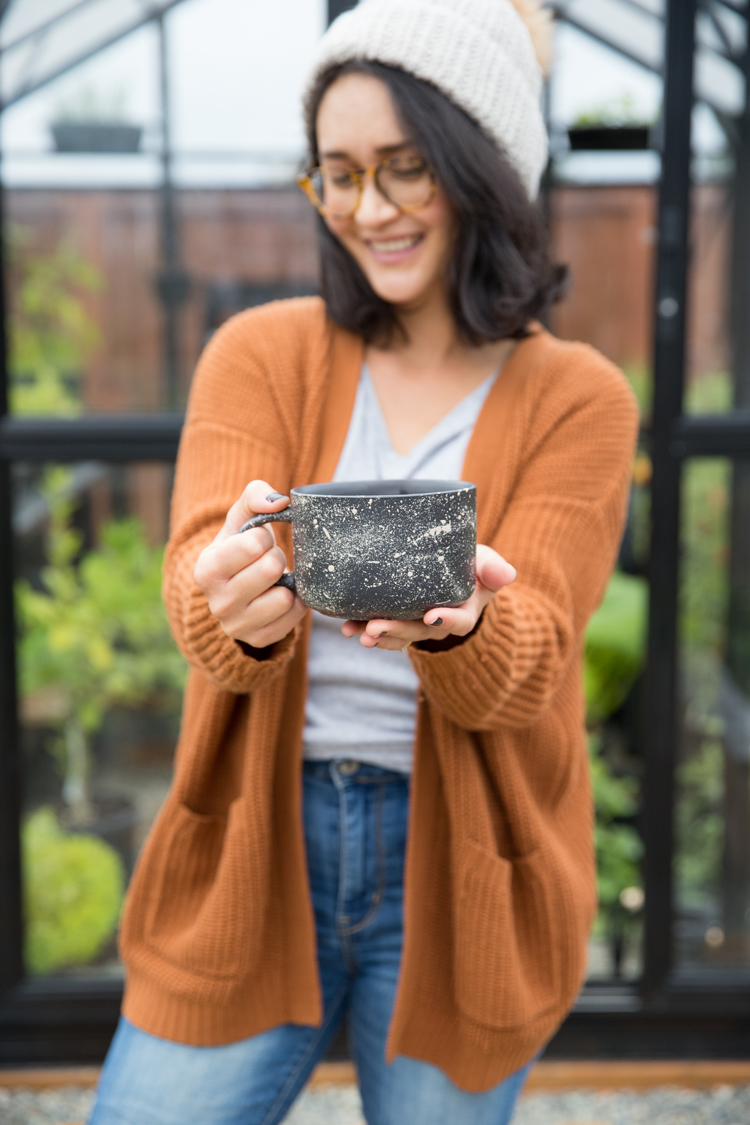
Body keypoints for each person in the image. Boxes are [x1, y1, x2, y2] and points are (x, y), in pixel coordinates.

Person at [89, 1, 638, 1122]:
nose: (367, 210)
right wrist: (231, 608)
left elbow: (537, 656)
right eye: (336, 175)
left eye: (403, 170)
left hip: (468, 869)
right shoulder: (260, 351)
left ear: (481, 170)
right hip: (257, 841)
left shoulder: (578, 397)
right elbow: (200, 567)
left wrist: (470, 628)